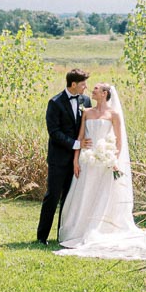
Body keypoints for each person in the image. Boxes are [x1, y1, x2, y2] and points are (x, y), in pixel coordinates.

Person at [56, 82, 146, 260]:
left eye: (97, 88)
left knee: (103, 196)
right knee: (85, 194)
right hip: (88, 161)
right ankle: (79, 228)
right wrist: (76, 160)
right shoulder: (87, 112)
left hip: (105, 161)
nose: (93, 90)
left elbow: (119, 142)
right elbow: (80, 137)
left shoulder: (114, 115)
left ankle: (100, 227)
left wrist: (113, 159)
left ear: (105, 93)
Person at [36, 68, 89, 245]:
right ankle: (42, 237)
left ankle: (63, 235)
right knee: (52, 196)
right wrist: (75, 144)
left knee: (69, 199)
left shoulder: (85, 101)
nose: (86, 87)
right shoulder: (55, 102)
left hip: (78, 160)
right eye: (83, 84)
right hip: (58, 159)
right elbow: (54, 132)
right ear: (73, 84)